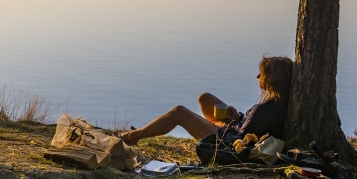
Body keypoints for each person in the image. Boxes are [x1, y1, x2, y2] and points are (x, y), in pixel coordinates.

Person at [116, 56, 293, 145]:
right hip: (235, 130)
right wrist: (237, 118)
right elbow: (249, 128)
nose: (257, 77)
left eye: (262, 74)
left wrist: (228, 126)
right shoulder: (278, 104)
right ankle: (201, 129)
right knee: (205, 98)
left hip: (226, 145)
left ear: (272, 79)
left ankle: (131, 136)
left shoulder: (262, 110)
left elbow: (239, 139)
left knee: (178, 112)